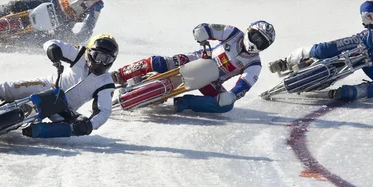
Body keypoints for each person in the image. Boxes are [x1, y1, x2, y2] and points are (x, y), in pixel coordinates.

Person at [0, 34, 119, 137]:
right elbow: (52, 43)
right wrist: (53, 50)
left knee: (72, 127)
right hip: (48, 86)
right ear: (89, 52)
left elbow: (103, 111)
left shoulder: (106, 83)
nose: (100, 63)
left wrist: (89, 125)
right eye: (98, 56)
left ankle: (29, 129)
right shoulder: (79, 53)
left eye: (107, 59)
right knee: (9, 87)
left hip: (65, 109)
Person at [112, 21, 275, 113]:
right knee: (160, 62)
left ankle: (185, 102)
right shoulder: (233, 33)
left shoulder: (254, 64)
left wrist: (232, 95)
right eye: (255, 37)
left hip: (211, 81)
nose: (256, 43)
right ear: (249, 31)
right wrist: (202, 32)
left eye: (262, 42)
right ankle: (121, 74)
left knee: (226, 105)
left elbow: (244, 84)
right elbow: (208, 28)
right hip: (196, 59)